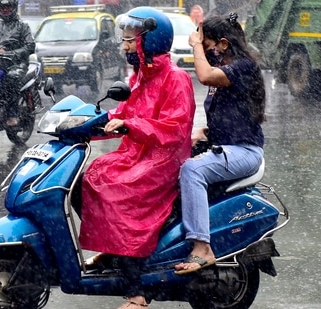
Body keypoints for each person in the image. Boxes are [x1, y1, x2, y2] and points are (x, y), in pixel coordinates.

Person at [77, 7, 196, 309]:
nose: (125, 46)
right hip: (136, 155)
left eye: (131, 40)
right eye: (125, 40)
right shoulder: (140, 76)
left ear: (150, 41)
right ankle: (113, 247)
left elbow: (174, 128)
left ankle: (137, 295)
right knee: (86, 180)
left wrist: (131, 126)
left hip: (163, 160)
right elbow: (123, 114)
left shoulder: (176, 78)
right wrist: (85, 124)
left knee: (118, 193)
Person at [174, 13, 266, 275]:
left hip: (245, 151)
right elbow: (233, 111)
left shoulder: (243, 66)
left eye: (207, 46)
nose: (204, 52)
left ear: (223, 44)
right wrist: (204, 131)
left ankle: (203, 247)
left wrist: (194, 46)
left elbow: (204, 76)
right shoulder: (227, 67)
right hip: (227, 146)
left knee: (192, 170)